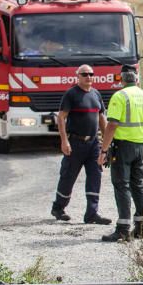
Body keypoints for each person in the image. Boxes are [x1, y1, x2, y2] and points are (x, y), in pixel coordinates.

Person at [97, 64, 143, 242]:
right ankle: (141, 227)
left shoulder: (119, 96)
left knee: (122, 185)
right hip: (140, 145)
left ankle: (122, 229)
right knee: (138, 185)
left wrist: (103, 150)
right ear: (136, 79)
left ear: (121, 79)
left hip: (123, 147)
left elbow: (112, 125)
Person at [51, 65, 112, 225]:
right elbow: (61, 118)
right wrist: (64, 141)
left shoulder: (96, 94)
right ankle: (58, 207)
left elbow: (102, 119)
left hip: (93, 144)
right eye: (84, 74)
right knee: (68, 176)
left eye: (91, 74)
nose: (88, 77)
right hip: (75, 143)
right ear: (78, 76)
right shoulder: (71, 94)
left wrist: (106, 143)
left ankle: (92, 213)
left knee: (95, 176)